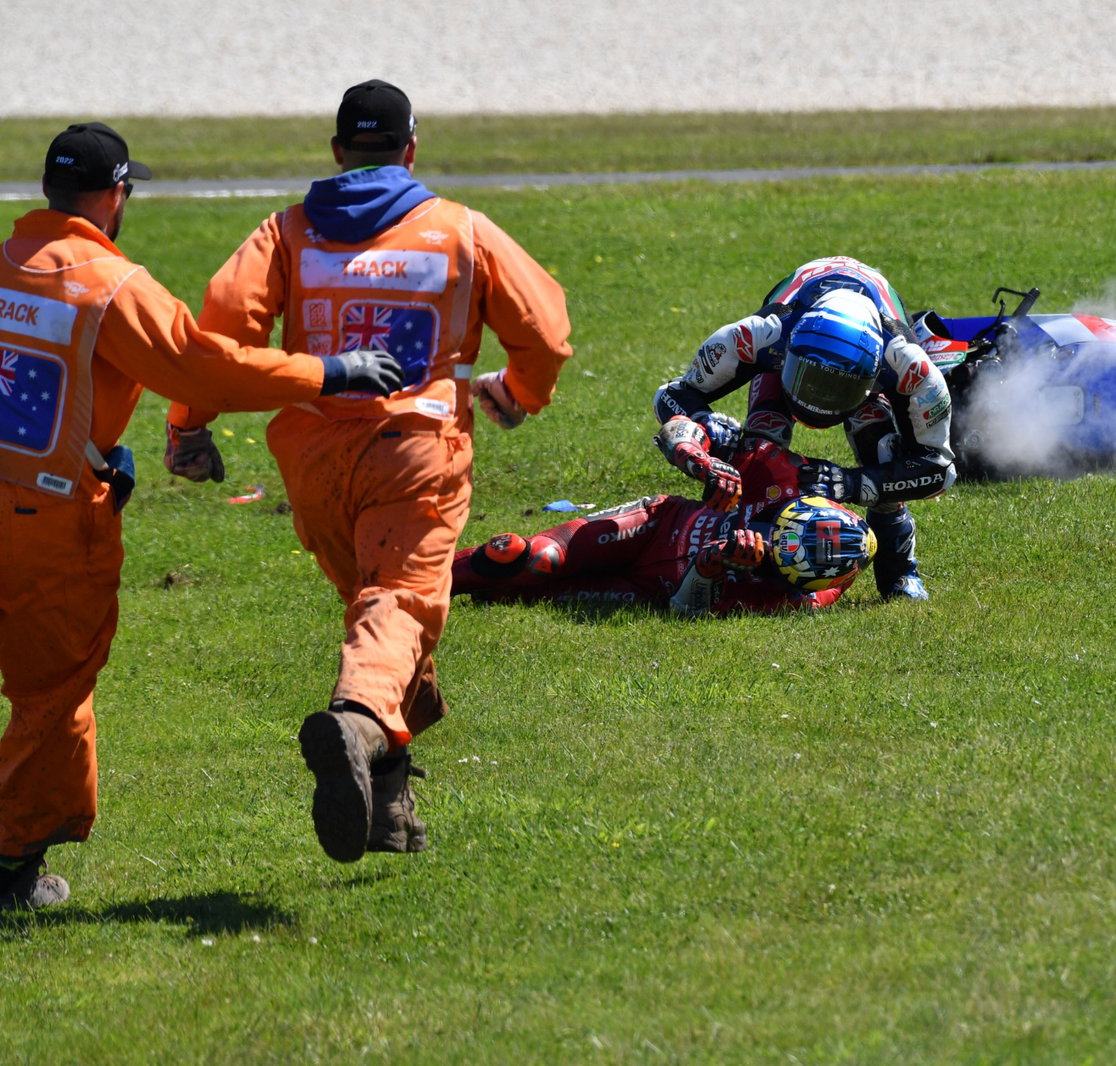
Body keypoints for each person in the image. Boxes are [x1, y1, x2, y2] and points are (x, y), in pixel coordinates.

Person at [163, 81, 573, 864]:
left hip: (313, 459)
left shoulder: (287, 233)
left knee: (377, 612)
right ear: (411, 149)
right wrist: (521, 394)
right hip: (416, 451)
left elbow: (218, 329)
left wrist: (189, 426)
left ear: (337, 152)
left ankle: (390, 806)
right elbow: (546, 334)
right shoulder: (461, 231)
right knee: (402, 605)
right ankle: (355, 721)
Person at [0, 122, 404, 910]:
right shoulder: (109, 284)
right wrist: (327, 370)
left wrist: (97, 448)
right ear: (115, 195)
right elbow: (200, 361)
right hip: (45, 527)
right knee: (51, 696)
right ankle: (11, 861)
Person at [652, 255, 954, 602]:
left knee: (883, 450)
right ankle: (745, 550)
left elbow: (940, 469)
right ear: (789, 349)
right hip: (787, 360)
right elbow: (672, 395)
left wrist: (856, 484)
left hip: (863, 384)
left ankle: (900, 572)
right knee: (762, 441)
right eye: (809, 378)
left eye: (837, 387)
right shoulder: (756, 335)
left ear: (873, 376)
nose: (820, 399)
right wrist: (707, 426)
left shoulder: (913, 369)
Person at [453, 435, 876, 615]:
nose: (762, 542)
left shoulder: (802, 598)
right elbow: (676, 422)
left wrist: (709, 566)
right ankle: (410, 581)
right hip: (656, 525)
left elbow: (686, 611)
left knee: (509, 596)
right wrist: (699, 459)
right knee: (528, 558)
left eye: (771, 557)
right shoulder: (782, 475)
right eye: (771, 530)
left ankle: (412, 598)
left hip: (651, 591)